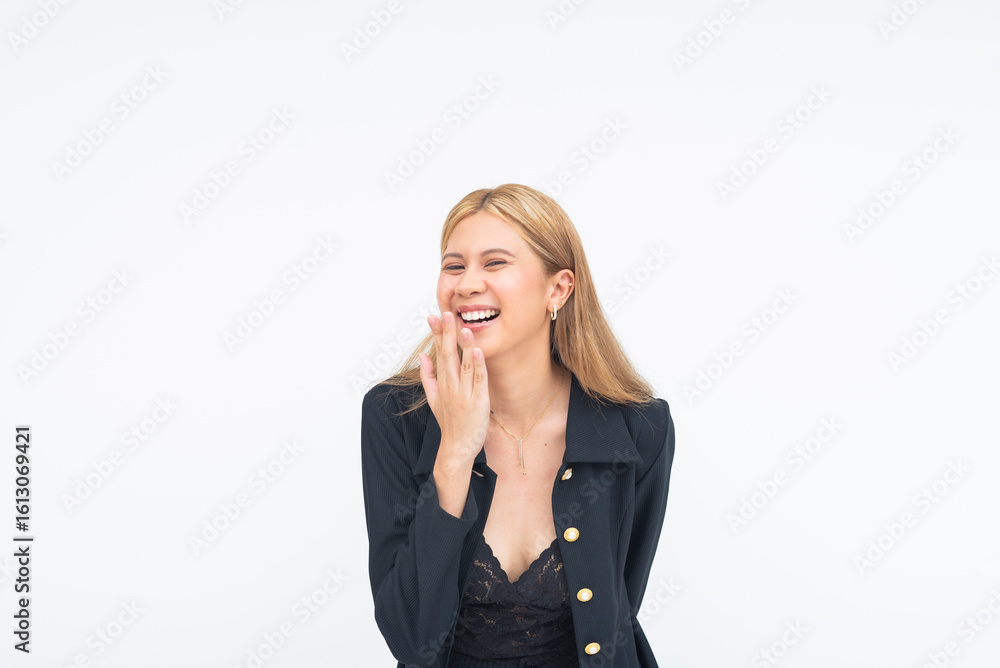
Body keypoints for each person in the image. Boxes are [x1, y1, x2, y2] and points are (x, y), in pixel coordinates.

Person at [360, 183, 676, 667]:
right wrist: (455, 455)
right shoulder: (395, 416)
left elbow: (618, 610)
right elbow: (408, 637)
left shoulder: (639, 429)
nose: (467, 284)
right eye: (454, 266)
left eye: (495, 263)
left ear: (558, 288)